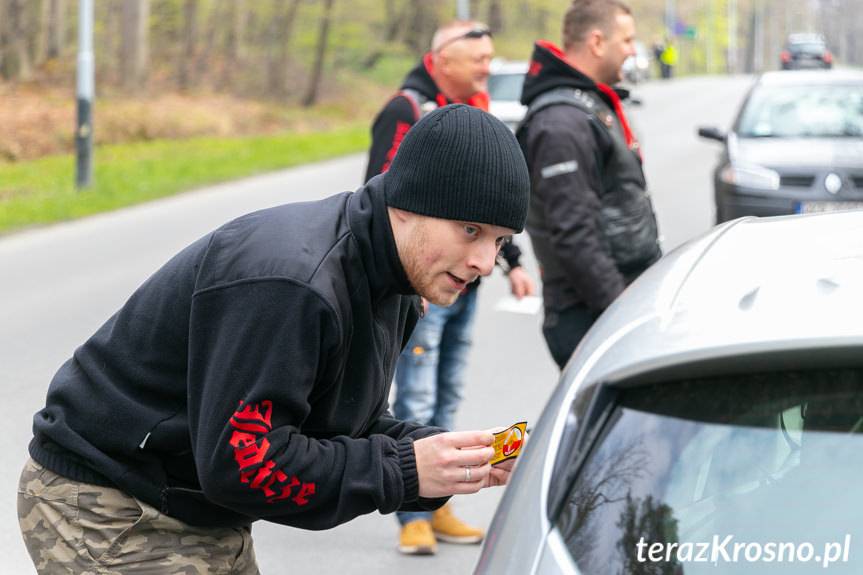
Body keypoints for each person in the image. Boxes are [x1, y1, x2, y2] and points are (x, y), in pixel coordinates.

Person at [18, 104, 529, 574]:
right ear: (407, 204)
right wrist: (403, 471)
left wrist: (448, 457)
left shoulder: (392, 280)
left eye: (500, 240)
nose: (486, 262)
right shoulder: (294, 284)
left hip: (196, 503)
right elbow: (244, 464)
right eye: (470, 230)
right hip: (110, 500)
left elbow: (341, 423)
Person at [366, 20, 535, 555]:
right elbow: (384, 194)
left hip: (464, 284)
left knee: (448, 390)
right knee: (415, 392)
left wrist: (511, 262)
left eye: (490, 58)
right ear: (441, 60)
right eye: (477, 58)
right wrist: (405, 282)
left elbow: (489, 204)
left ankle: (438, 503)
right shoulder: (407, 110)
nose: (488, 67)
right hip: (422, 282)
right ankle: (413, 514)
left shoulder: (478, 112)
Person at [517, 0, 662, 370]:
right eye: (626, 40)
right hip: (591, 315)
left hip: (612, 303)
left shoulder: (587, 104)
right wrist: (621, 309)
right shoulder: (561, 123)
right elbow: (575, 233)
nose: (632, 51)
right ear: (597, 42)